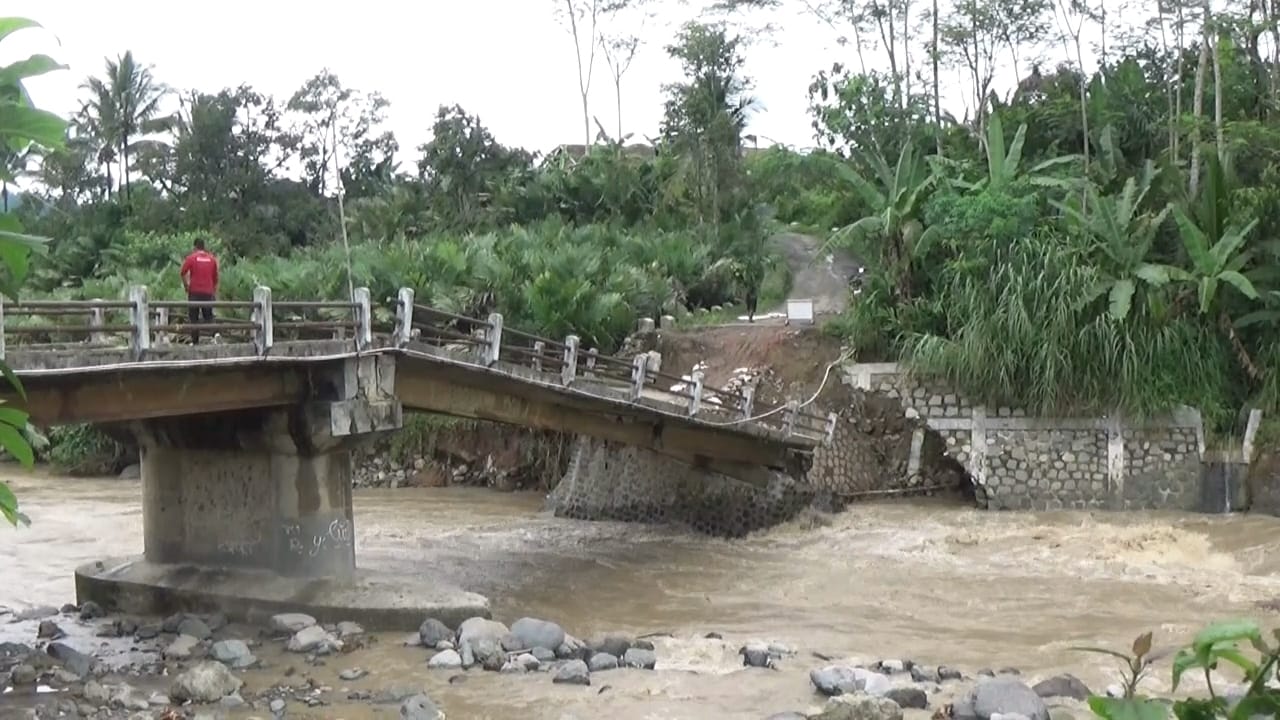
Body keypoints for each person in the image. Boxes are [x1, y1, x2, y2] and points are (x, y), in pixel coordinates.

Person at [179, 238, 219, 344]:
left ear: (195, 247)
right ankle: (215, 335)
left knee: (194, 318)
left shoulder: (191, 258)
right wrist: (213, 291)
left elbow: (182, 272)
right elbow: (215, 278)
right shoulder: (212, 259)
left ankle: (195, 342)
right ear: (204, 247)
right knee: (209, 316)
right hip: (208, 292)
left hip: (194, 292)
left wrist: (186, 286)